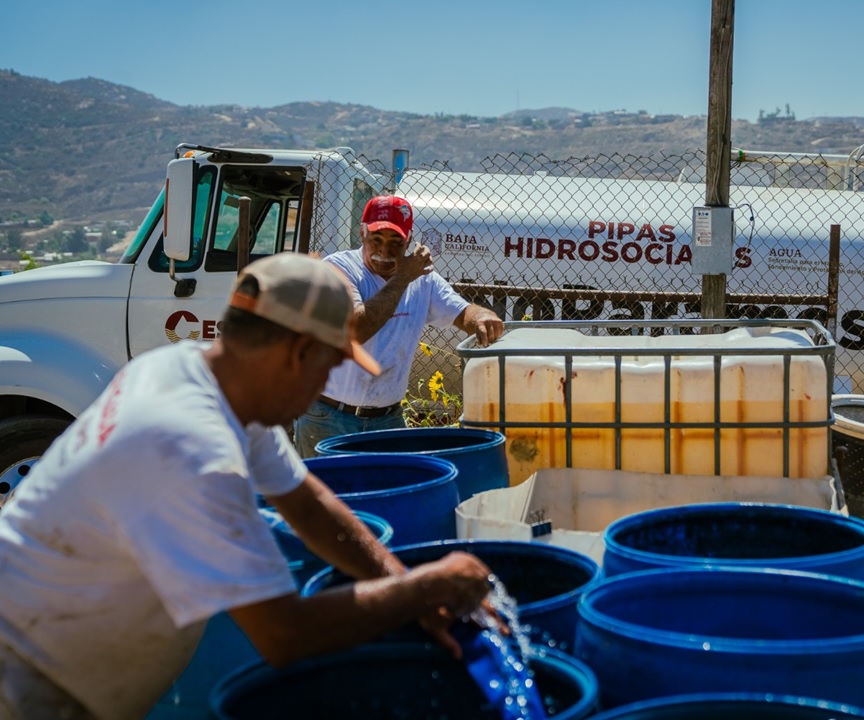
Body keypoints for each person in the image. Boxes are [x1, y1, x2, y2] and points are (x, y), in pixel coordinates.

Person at [0, 254, 495, 719]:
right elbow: (284, 634)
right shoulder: (191, 449)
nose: (328, 382)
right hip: (26, 676)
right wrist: (420, 589)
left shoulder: (196, 374)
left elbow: (307, 502)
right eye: (330, 365)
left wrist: (399, 582)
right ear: (298, 353)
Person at [293, 195, 504, 457]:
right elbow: (355, 330)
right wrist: (402, 278)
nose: (384, 253)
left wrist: (482, 316)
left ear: (408, 240)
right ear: (362, 233)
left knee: (389, 495)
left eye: (395, 243)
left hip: (386, 421)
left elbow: (462, 311)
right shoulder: (337, 269)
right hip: (329, 417)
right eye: (376, 241)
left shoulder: (422, 280)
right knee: (324, 496)